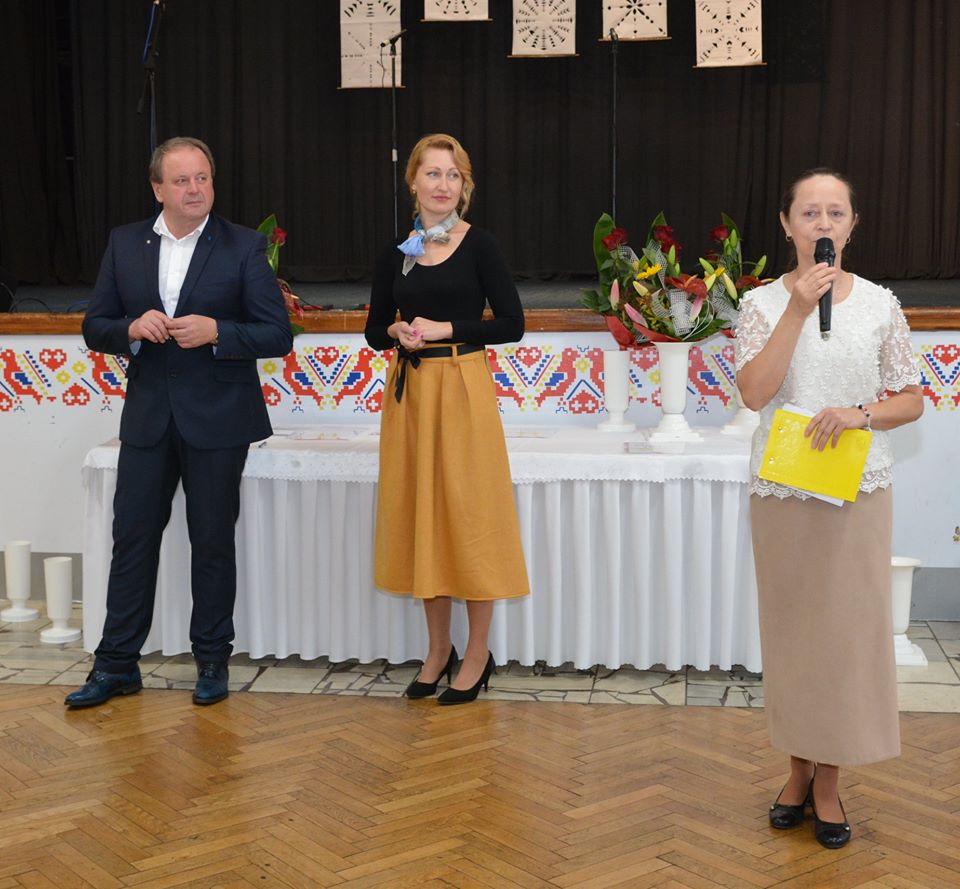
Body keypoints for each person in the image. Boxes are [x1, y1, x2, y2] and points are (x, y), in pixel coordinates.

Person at [66, 137, 293, 709]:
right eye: (182, 180)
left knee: (211, 542)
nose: (195, 190)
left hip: (219, 420)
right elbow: (95, 325)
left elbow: (277, 335)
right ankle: (116, 664)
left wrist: (219, 332)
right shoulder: (124, 243)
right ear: (158, 189)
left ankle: (211, 661)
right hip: (147, 420)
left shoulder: (244, 245)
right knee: (132, 541)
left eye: (203, 179)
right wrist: (129, 329)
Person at [736, 168, 923, 848]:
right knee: (793, 636)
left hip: (857, 491)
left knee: (844, 638)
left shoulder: (879, 304)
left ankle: (827, 783)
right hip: (784, 492)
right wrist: (795, 310)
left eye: (835, 213)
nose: (822, 223)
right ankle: (795, 772)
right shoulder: (761, 305)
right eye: (809, 212)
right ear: (787, 225)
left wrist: (859, 413)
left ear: (851, 226)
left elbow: (911, 398)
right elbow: (754, 393)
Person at [364, 133, 529, 705]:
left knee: (470, 518)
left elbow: (511, 323)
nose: (442, 184)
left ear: (465, 186)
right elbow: (374, 328)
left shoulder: (480, 245)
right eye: (432, 173)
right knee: (423, 518)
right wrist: (396, 330)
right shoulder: (397, 251)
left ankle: (478, 654)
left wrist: (446, 328)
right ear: (413, 181)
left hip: (462, 386)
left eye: (452, 175)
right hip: (411, 395)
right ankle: (438, 651)